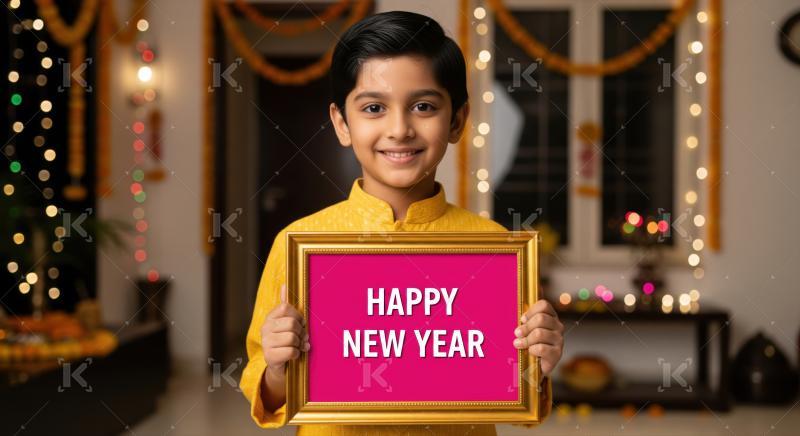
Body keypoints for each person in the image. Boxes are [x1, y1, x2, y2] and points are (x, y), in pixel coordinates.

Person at [240, 10, 565, 436]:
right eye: (374, 107)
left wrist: (537, 364)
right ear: (342, 123)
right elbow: (267, 393)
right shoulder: (300, 245)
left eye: (423, 107)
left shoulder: (495, 250)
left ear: (457, 121)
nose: (400, 129)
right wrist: (281, 369)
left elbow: (514, 390)